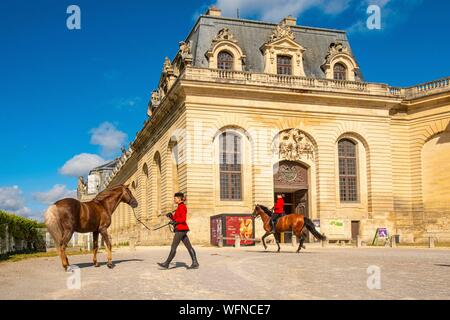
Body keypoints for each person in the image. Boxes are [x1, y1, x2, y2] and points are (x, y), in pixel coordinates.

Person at [157, 192, 199, 269]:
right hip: (182, 229)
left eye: (175, 198)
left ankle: (166, 264)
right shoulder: (179, 207)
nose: (174, 199)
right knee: (189, 246)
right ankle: (195, 263)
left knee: (173, 247)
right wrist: (171, 217)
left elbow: (183, 219)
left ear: (179, 199)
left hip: (180, 229)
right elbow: (177, 219)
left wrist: (175, 221)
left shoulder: (182, 207)